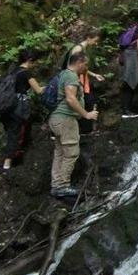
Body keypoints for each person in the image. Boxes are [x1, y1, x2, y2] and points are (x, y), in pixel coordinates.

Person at [48, 52, 99, 198]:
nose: (86, 68)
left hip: (56, 119)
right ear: (79, 62)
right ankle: (62, 186)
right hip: (66, 119)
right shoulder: (71, 76)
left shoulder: (63, 74)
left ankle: (56, 185)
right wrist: (86, 114)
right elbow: (71, 99)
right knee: (71, 152)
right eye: (85, 64)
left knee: (60, 152)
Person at [0, 49, 45, 172]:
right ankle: (7, 166)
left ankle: (13, 160)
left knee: (12, 133)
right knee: (15, 134)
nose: (36, 64)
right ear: (30, 60)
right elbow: (38, 90)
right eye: (35, 61)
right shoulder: (26, 73)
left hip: (7, 107)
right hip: (18, 109)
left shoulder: (13, 71)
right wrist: (52, 86)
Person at [62, 28, 105, 134]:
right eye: (95, 40)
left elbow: (82, 67)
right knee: (85, 102)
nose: (95, 43)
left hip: (82, 81)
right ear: (89, 38)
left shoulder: (83, 49)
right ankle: (83, 130)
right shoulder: (78, 49)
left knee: (88, 102)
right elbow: (72, 67)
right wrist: (76, 82)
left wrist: (94, 75)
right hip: (76, 82)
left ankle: (85, 130)